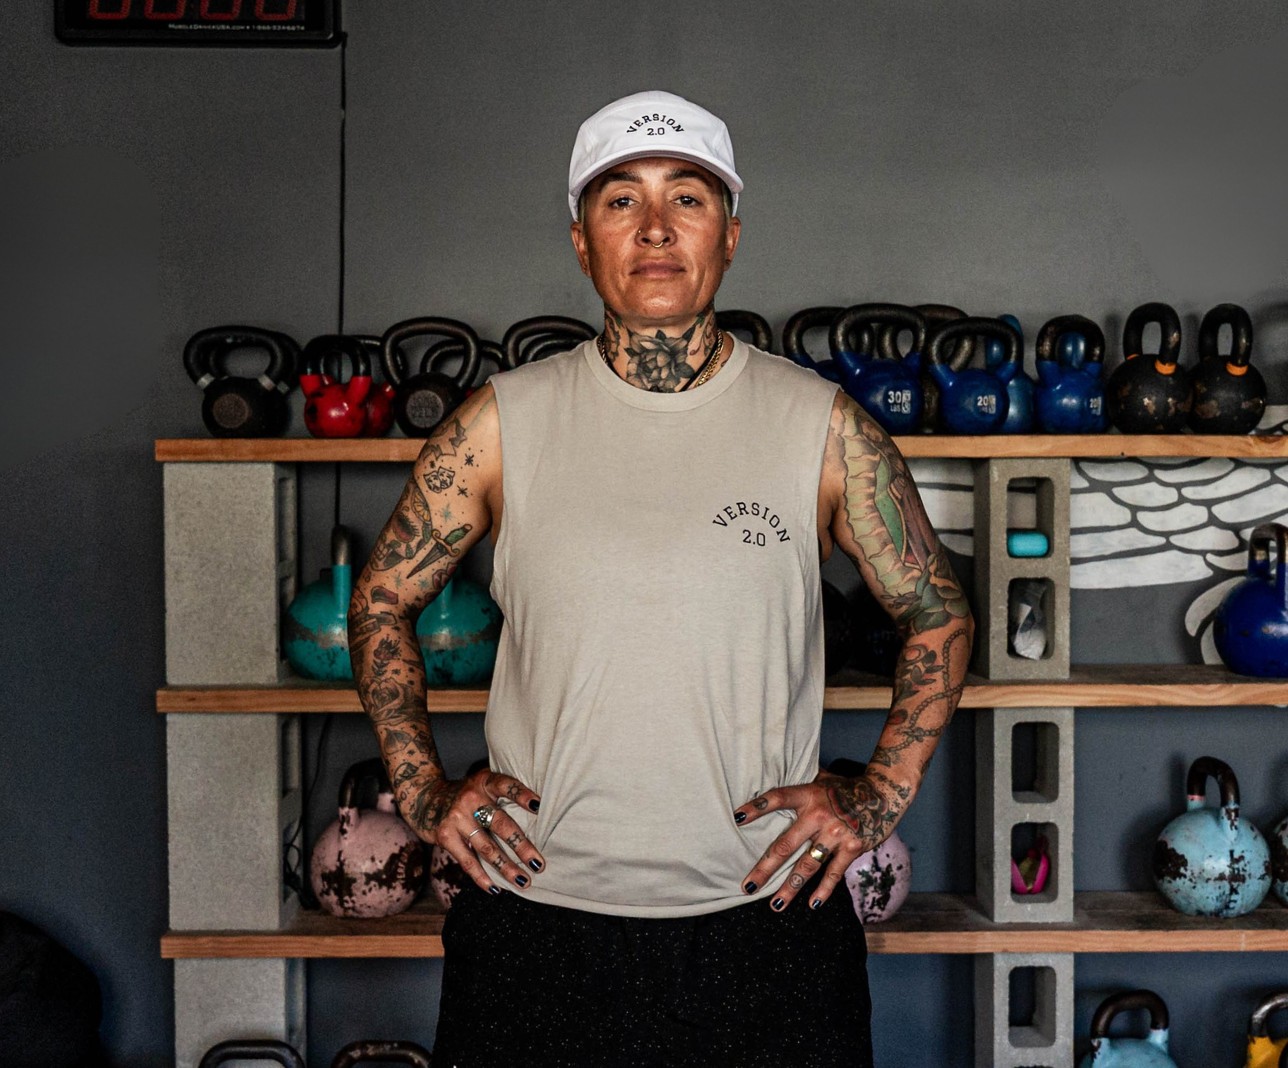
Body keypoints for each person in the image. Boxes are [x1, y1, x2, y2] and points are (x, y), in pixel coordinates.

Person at [348, 89, 972, 1068]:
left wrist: (876, 799)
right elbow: (383, 598)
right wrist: (423, 792)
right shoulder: (499, 422)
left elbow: (935, 610)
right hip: (535, 923)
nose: (654, 227)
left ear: (729, 235)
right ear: (581, 241)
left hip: (767, 919)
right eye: (619, 200)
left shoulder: (823, 426)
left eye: (687, 197)